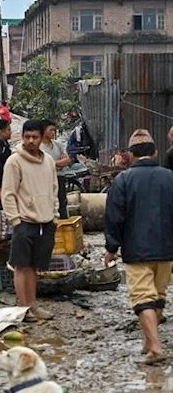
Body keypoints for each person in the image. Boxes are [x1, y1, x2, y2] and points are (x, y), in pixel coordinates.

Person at [105, 129, 173, 364]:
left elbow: (114, 217)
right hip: (166, 250)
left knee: (143, 297)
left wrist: (111, 248)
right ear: (155, 152)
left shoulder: (123, 180)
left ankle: (155, 347)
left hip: (137, 251)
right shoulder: (170, 177)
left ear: (130, 155)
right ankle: (148, 340)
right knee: (159, 294)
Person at [1, 119, 58, 322]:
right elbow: (8, 194)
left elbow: (54, 190)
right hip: (24, 222)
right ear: (22, 137)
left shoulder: (49, 161)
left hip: (45, 222)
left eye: (35, 137)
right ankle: (23, 308)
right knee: (21, 266)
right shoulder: (14, 161)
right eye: (27, 137)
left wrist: (55, 216)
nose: (31, 141)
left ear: (42, 137)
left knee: (34, 266)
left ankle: (33, 305)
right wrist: (16, 220)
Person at [40, 120, 70, 219]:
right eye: (51, 130)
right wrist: (57, 163)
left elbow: (67, 160)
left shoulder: (58, 144)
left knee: (62, 201)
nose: (53, 132)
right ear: (43, 131)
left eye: (54, 130)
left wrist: (52, 163)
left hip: (59, 177)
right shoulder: (39, 147)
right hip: (45, 179)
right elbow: (41, 163)